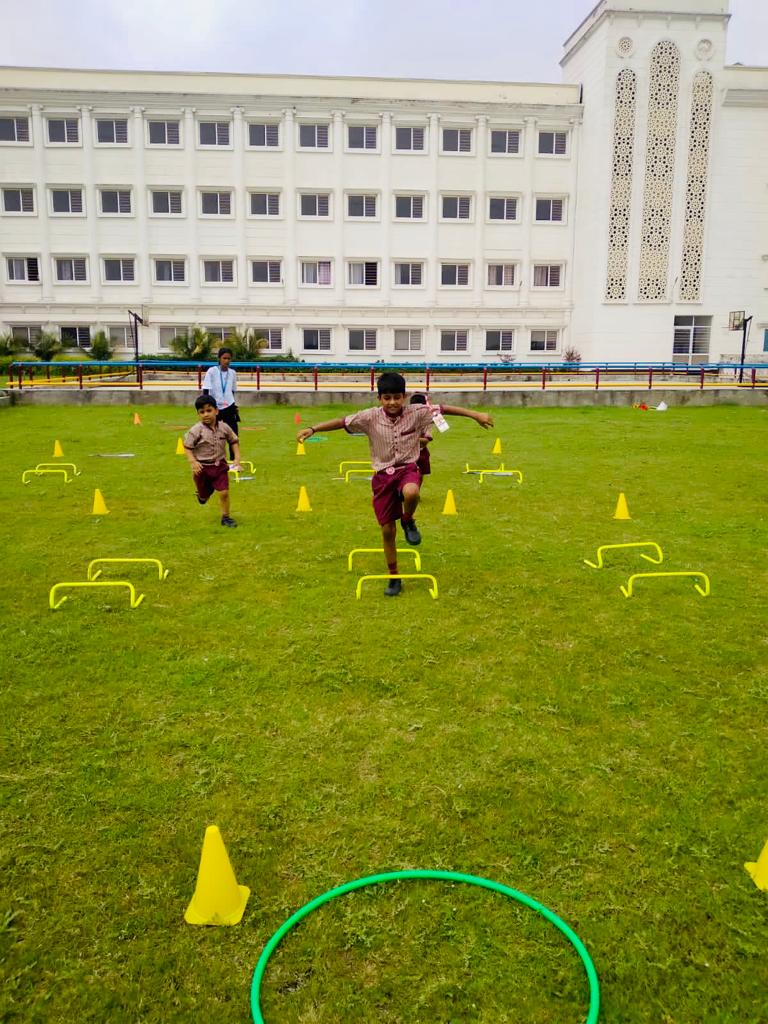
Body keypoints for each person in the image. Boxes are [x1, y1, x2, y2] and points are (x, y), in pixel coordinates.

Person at [297, 372, 493, 596]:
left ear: (405, 396)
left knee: (411, 493)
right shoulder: (369, 417)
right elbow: (342, 422)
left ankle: (408, 520)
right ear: (379, 398)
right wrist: (313, 429)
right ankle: (394, 576)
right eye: (387, 398)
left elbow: (445, 409)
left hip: (408, 469)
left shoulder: (417, 412)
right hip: (382, 476)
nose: (392, 402)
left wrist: (475, 414)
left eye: (397, 397)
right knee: (388, 531)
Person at [183, 394, 241, 527]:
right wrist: (193, 461)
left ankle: (226, 517)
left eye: (209, 410)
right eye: (201, 412)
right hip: (202, 469)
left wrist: (237, 458)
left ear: (216, 411)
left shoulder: (224, 427)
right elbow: (187, 447)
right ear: (198, 414)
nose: (206, 415)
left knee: (224, 492)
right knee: (204, 497)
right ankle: (202, 496)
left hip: (220, 466)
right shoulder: (196, 430)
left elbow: (234, 441)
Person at [202, 347, 239, 460]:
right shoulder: (212, 371)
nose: (227, 361)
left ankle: (234, 460)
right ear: (219, 358)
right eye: (224, 358)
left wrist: (234, 404)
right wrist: (206, 407)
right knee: (213, 433)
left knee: (233, 433)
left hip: (229, 406)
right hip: (215, 406)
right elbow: (206, 389)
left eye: (229, 359)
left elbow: (232, 390)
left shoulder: (232, 373)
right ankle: (213, 457)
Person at [409, 393, 432, 481]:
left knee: (420, 475)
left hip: (421, 453)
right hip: (406, 454)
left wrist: (408, 439)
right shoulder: (403, 418)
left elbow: (426, 440)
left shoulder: (426, 421)